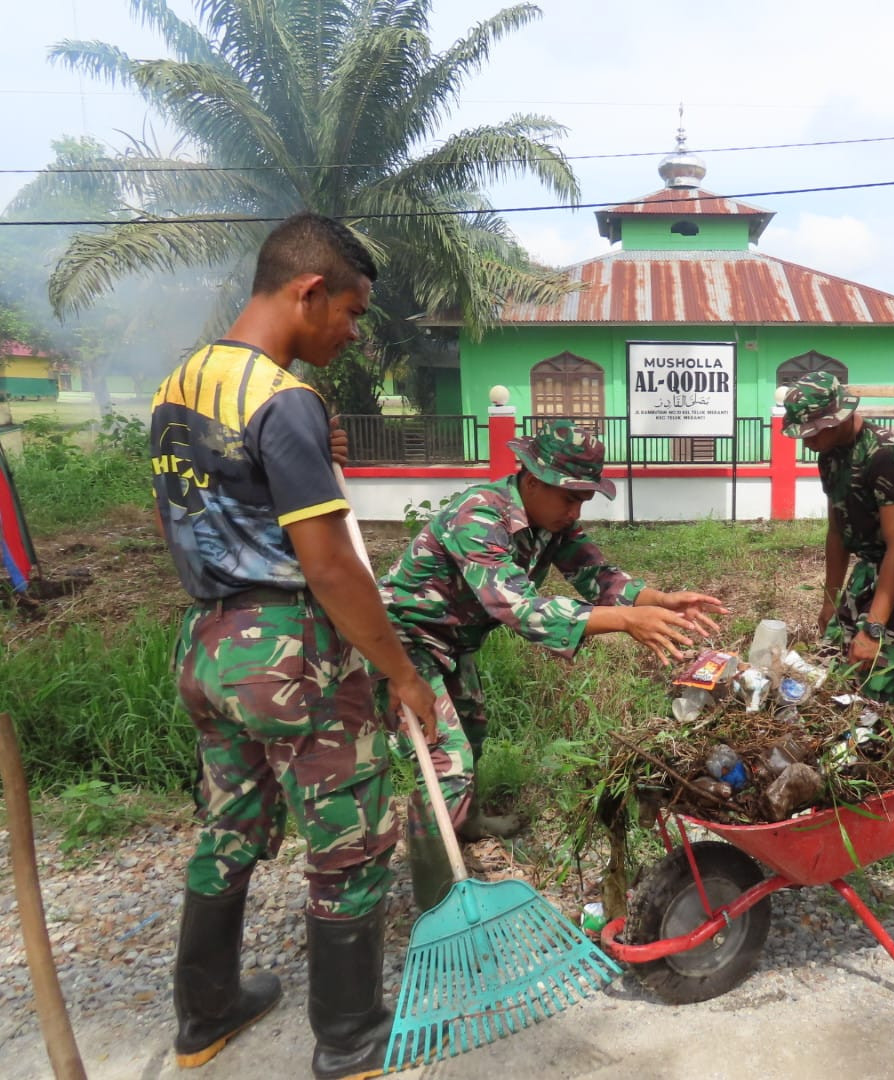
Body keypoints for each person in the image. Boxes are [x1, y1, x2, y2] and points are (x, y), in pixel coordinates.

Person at [151, 211, 438, 1080]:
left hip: (207, 647)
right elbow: (331, 567)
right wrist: (400, 671)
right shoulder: (283, 397)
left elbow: (226, 504)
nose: (352, 334)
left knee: (230, 822)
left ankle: (204, 1018)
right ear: (308, 291)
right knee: (348, 840)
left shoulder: (181, 383)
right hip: (289, 654)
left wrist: (315, 453)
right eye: (349, 313)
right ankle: (349, 1039)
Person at [378, 419, 727, 911]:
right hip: (404, 640)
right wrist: (625, 620)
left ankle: (466, 822)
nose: (575, 510)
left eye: (584, 499)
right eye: (569, 497)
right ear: (533, 480)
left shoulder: (551, 521)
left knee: (472, 731)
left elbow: (600, 577)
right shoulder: (479, 516)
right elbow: (518, 609)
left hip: (453, 641)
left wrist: (661, 600)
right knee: (446, 761)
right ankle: (435, 900)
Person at [780, 371, 894, 704]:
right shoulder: (830, 456)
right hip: (864, 574)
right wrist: (830, 599)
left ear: (839, 419)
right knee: (827, 682)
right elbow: (837, 532)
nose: (806, 442)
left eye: (812, 433)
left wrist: (874, 628)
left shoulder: (884, 455)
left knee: (870, 696)